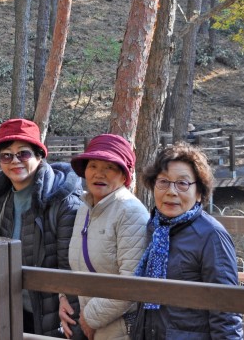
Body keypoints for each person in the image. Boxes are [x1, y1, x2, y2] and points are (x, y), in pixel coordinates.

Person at [132, 143, 243, 339]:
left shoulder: (211, 235)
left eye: (182, 184)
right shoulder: (156, 228)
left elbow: (226, 310)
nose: (171, 192)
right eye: (163, 182)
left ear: (199, 193)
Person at [0, 118, 82, 337]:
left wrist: (66, 299)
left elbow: (70, 262)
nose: (15, 161)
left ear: (39, 156)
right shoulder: (2, 197)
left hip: (52, 311)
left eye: (24, 153)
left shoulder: (63, 199)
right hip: (13, 308)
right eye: (6, 155)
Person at [60, 134, 149, 340]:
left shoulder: (130, 212)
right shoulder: (85, 208)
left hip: (120, 327)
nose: (99, 174)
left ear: (124, 175)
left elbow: (131, 283)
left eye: (109, 167)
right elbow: (77, 263)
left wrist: (90, 318)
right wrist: (64, 296)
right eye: (93, 166)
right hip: (91, 322)